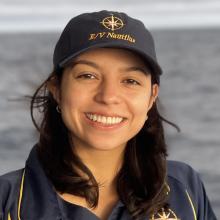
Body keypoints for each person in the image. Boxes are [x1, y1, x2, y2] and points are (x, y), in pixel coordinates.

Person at [0, 10, 217, 220]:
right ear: (56, 89)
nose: (108, 96)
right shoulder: (6, 201)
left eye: (130, 81)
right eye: (88, 75)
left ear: (151, 96)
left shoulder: (185, 189)